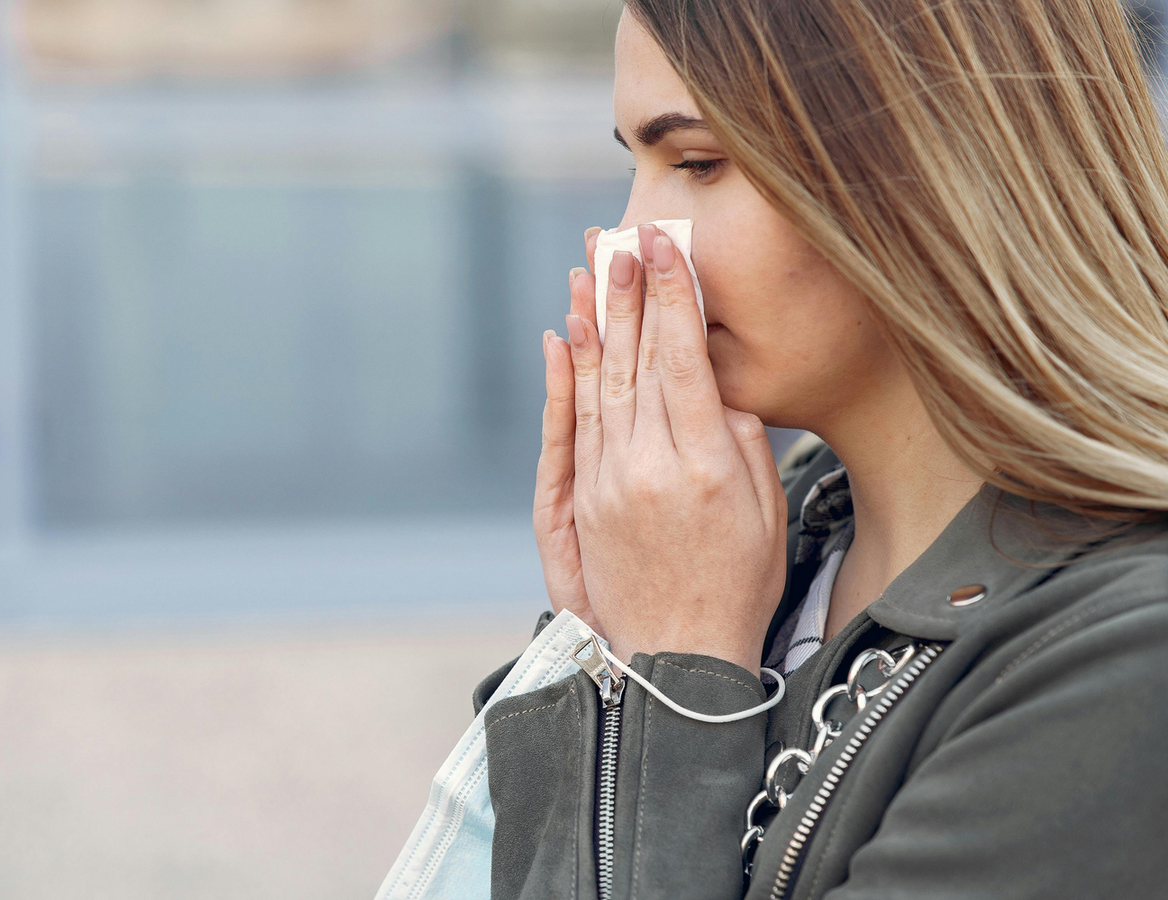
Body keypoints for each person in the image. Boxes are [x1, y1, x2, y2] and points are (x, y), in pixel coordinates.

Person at [386, 1, 1168, 898]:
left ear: (931, 167)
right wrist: (608, 648)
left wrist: (674, 675)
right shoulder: (753, 540)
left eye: (697, 163)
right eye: (634, 165)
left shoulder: (1125, 657)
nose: (628, 244)